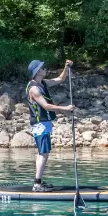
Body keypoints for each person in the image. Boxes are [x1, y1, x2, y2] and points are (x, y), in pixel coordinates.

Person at [25, 58, 75, 191]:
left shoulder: (43, 83)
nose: (44, 69)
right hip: (40, 125)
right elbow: (46, 106)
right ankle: (37, 184)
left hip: (45, 123)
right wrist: (66, 108)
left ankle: (39, 181)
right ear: (37, 72)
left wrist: (66, 67)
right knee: (44, 153)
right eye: (42, 68)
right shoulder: (34, 89)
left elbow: (59, 79)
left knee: (43, 153)